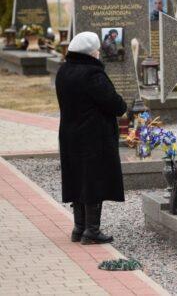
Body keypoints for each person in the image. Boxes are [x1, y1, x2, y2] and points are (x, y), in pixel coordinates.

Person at [55, 31, 127, 245]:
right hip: (94, 136)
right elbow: (114, 104)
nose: (98, 53)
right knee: (94, 180)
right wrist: (122, 104)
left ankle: (79, 228)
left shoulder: (64, 70)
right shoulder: (93, 74)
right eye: (96, 49)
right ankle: (92, 231)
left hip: (69, 134)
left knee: (77, 177)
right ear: (91, 52)